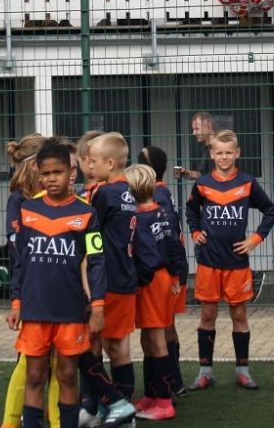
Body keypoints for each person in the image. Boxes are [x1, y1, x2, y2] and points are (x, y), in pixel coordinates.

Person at [6, 143, 106, 428]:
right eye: (46, 173)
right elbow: (20, 261)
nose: (51, 179)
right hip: (35, 309)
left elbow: (96, 260)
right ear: (38, 174)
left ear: (71, 172)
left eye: (58, 172)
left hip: (70, 310)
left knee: (67, 375)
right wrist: (16, 302)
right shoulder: (27, 210)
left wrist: (98, 306)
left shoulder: (86, 213)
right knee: (35, 375)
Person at [185, 129, 274, 391]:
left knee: (239, 314)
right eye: (219, 153)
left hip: (237, 263)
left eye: (229, 153)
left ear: (238, 153)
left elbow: (270, 211)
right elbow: (190, 211)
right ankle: (205, 372)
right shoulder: (203, 184)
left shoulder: (247, 183)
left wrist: (255, 239)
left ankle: (242, 371)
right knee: (207, 314)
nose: (224, 157)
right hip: (208, 262)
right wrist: (195, 232)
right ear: (212, 154)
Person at [81, 132, 139, 428]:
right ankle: (107, 408)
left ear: (111, 163)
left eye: (94, 161)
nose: (90, 166)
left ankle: (117, 409)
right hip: (125, 278)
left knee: (98, 345)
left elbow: (90, 234)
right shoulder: (128, 190)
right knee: (116, 347)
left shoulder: (104, 193)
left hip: (109, 280)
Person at [125, 163, 186, 420]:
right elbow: (176, 248)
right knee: (148, 339)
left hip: (150, 283)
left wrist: (137, 283)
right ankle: (151, 396)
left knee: (157, 341)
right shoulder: (164, 213)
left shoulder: (139, 219)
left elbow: (148, 259)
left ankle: (164, 403)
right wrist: (176, 276)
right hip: (163, 279)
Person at [136, 145, 188, 399]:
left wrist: (174, 273)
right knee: (164, 327)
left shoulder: (157, 194)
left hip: (166, 271)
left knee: (163, 329)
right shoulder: (162, 190)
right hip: (171, 268)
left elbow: (165, 236)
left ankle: (172, 385)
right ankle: (172, 384)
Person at [174, 112, 216, 181]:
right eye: (193, 129)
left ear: (208, 128)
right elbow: (204, 174)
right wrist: (186, 173)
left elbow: (214, 177)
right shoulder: (207, 148)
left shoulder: (217, 149)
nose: (194, 133)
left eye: (197, 129)